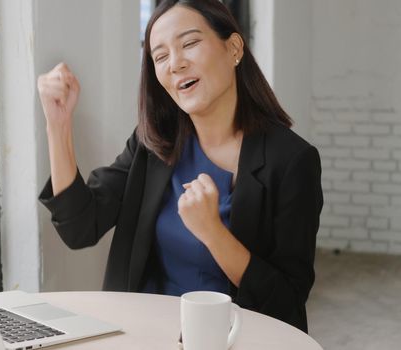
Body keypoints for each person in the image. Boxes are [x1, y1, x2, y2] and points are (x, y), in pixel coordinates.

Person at [37, 0, 323, 333]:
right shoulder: (154, 144)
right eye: (160, 56)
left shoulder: (291, 160)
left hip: (231, 338)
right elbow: (79, 228)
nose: (175, 63)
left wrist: (213, 233)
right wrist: (58, 127)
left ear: (233, 48)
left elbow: (286, 301)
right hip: (144, 332)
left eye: (189, 43)